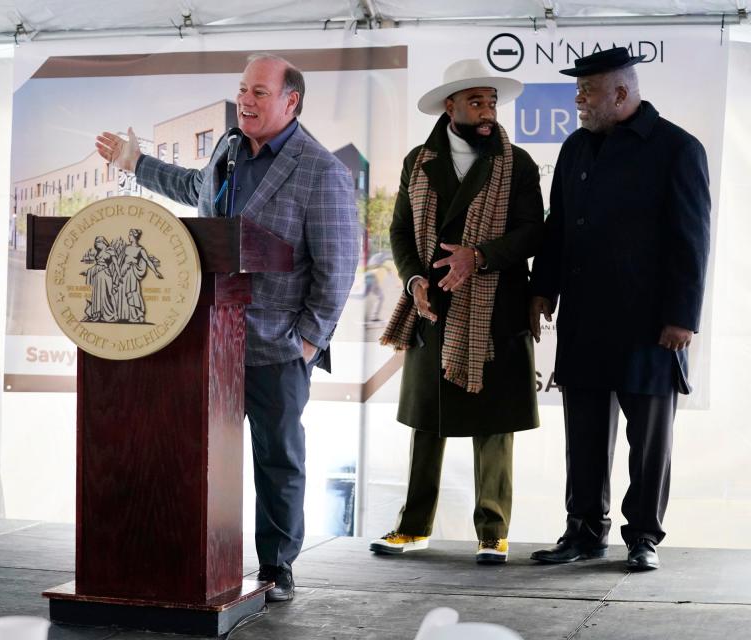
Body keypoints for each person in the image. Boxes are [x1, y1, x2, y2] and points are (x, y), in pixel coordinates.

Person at [95, 53, 359, 601]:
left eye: (259, 92)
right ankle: (196, 561)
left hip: (277, 346)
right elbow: (196, 189)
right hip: (208, 339)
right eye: (243, 89)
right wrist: (135, 162)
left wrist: (307, 343)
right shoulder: (228, 149)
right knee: (201, 457)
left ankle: (278, 567)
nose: (245, 100)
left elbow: (336, 268)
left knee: (278, 459)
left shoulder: (322, 171)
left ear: (292, 102)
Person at [529, 48, 711, 571]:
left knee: (648, 441)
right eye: (578, 92)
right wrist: (543, 288)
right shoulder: (575, 149)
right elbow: (557, 226)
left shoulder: (677, 148)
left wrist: (682, 316)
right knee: (583, 435)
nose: (579, 101)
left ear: (621, 93)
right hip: (585, 319)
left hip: (650, 325)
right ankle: (583, 532)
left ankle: (643, 537)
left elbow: (690, 239)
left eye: (587, 92)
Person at [372, 59, 543, 563]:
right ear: (451, 106)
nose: (487, 111)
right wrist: (414, 279)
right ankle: (413, 526)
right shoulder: (417, 161)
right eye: (476, 102)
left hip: (496, 307)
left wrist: (480, 255)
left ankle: (493, 531)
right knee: (428, 421)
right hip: (433, 306)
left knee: (495, 425)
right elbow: (401, 232)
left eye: (491, 102)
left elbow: (533, 233)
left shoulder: (520, 164)